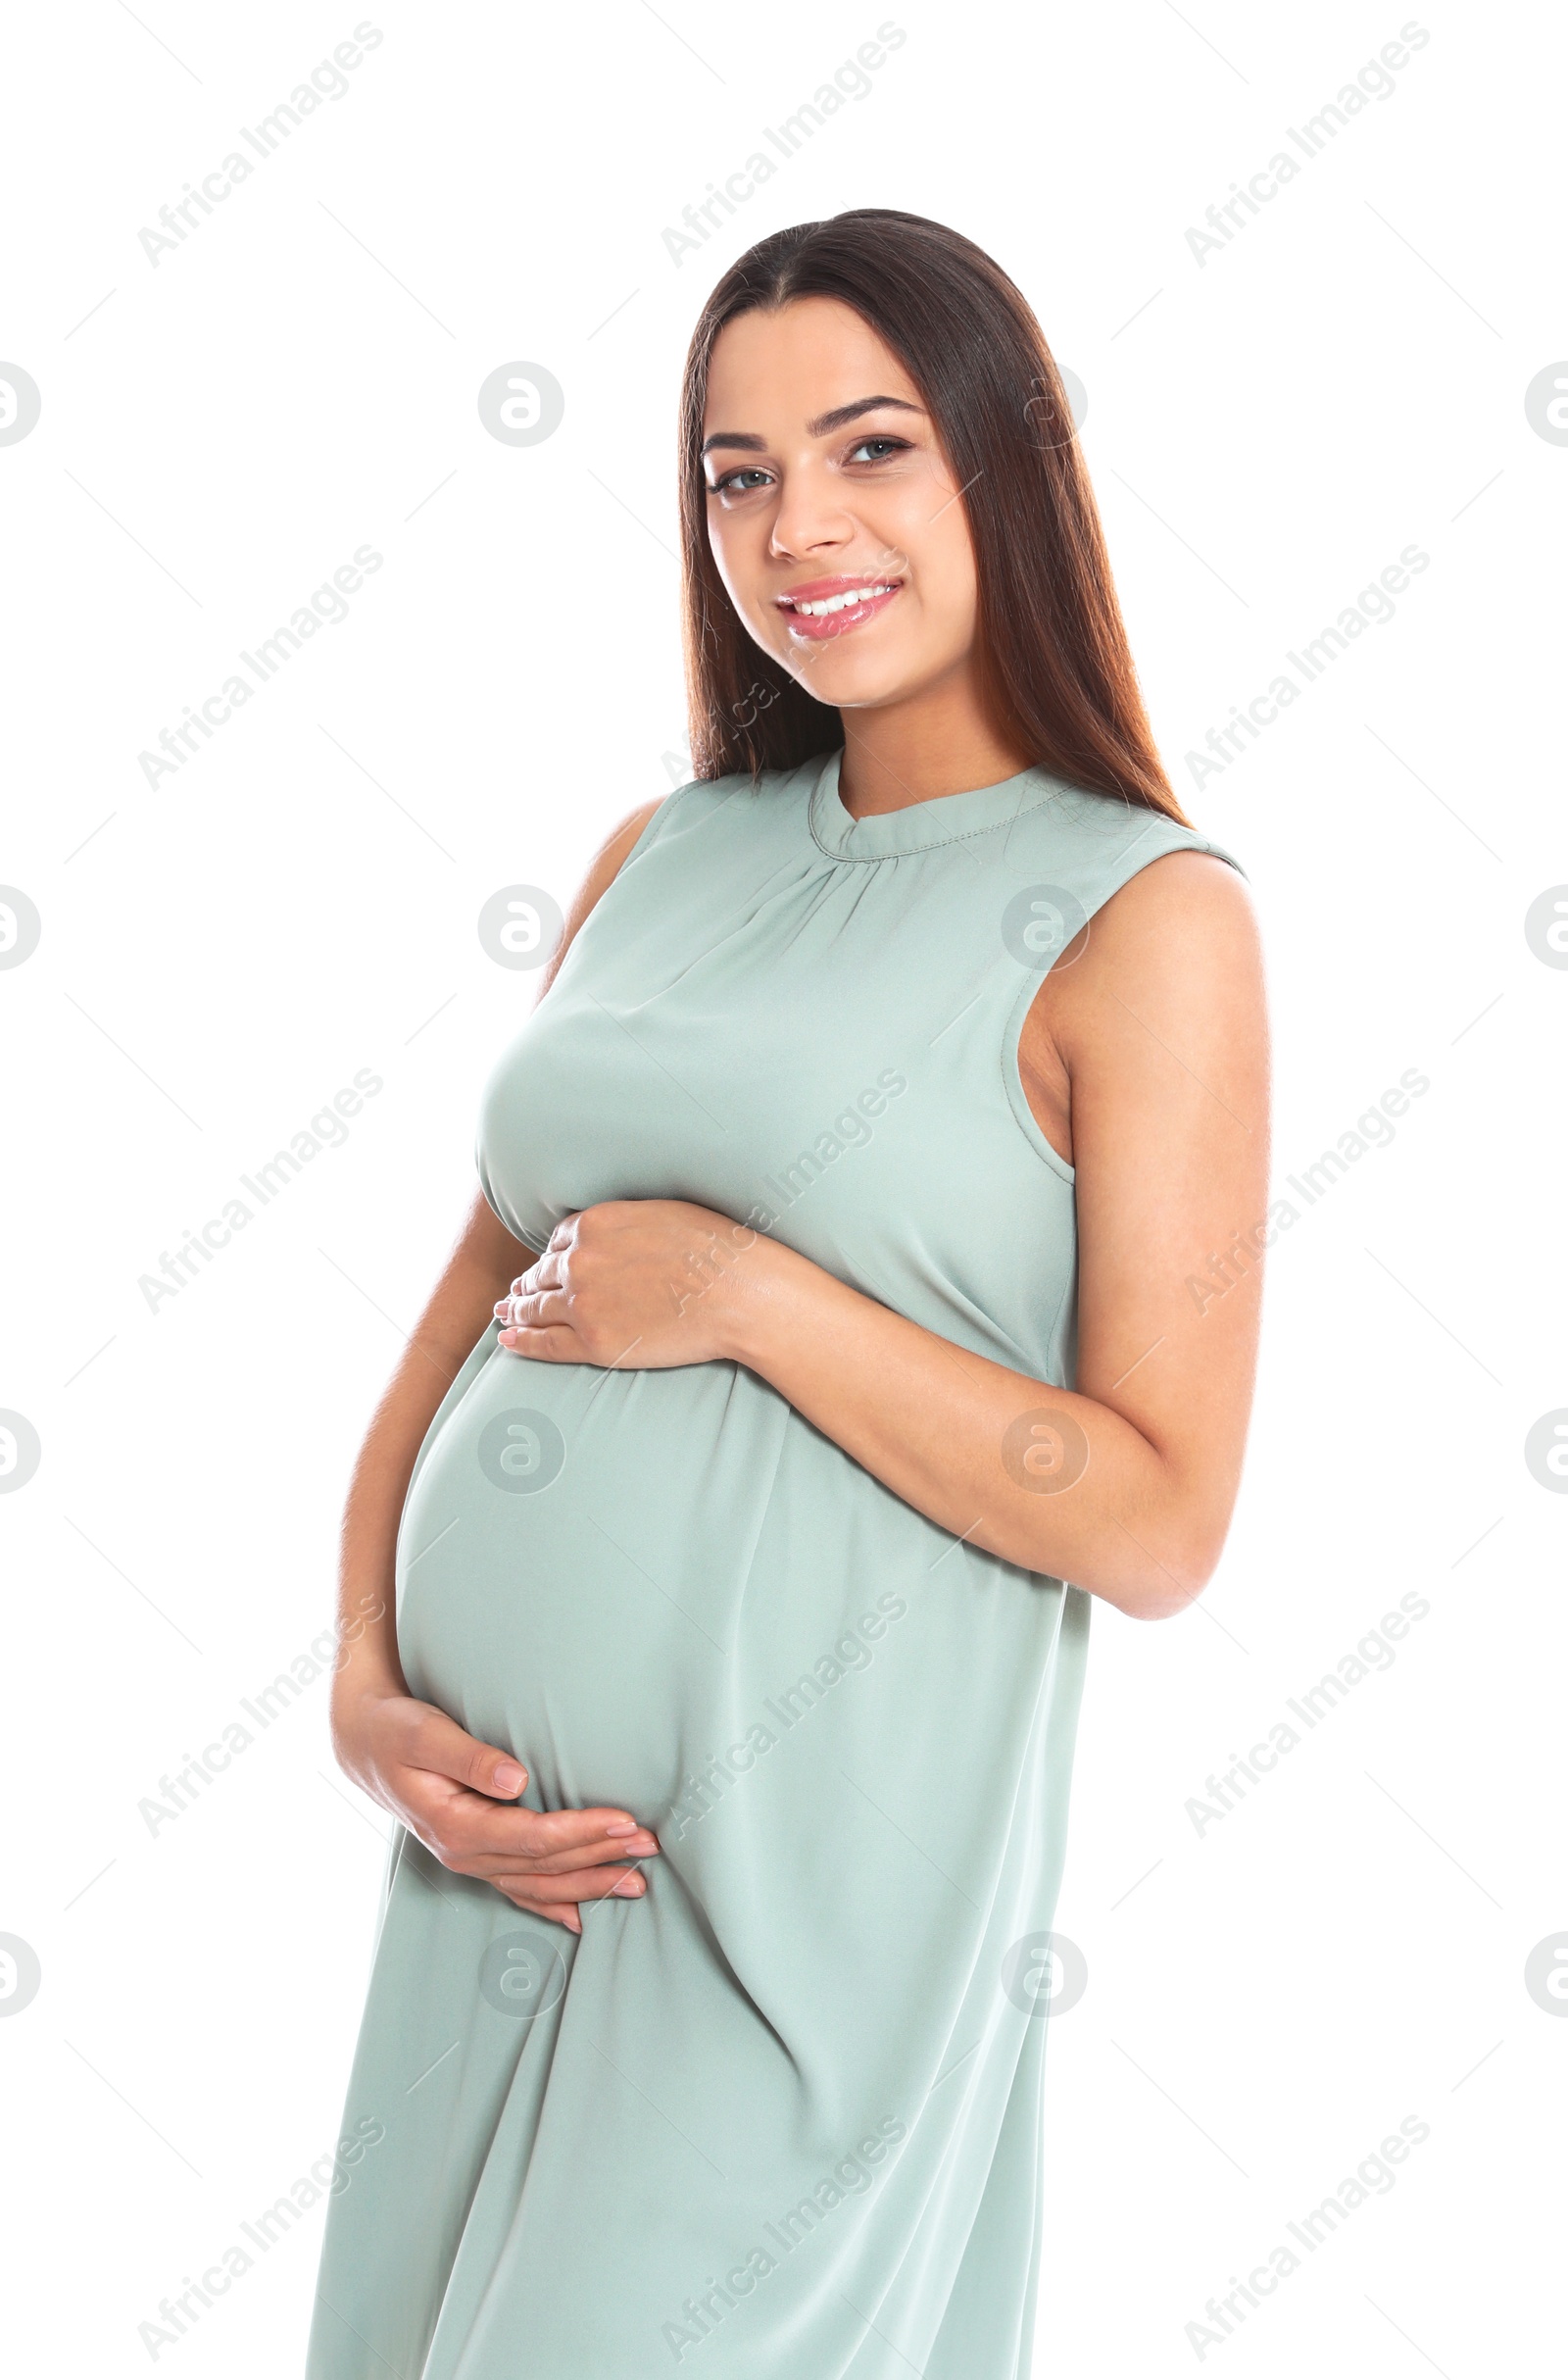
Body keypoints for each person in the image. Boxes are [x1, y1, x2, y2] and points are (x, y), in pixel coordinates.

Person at [308, 208, 1269, 2379]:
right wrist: (366, 1687)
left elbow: (1154, 1514)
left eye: (865, 450)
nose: (793, 528)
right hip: (489, 1884)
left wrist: (747, 1293)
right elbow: (468, 1299)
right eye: (734, 473)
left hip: (795, 1930)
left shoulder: (1145, 917)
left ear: (1001, 466)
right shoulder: (665, 854)